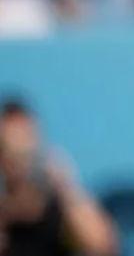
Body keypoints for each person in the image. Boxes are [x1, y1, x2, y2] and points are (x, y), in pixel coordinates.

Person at [0, 99, 118, 256]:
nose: (20, 159)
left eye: (26, 139)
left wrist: (66, 185)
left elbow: (103, 246)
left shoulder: (59, 203)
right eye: (10, 147)